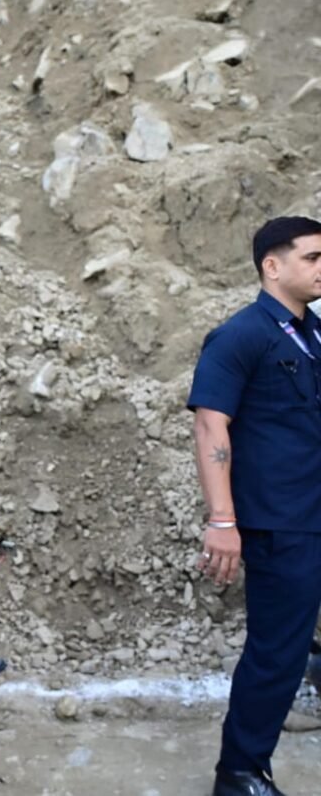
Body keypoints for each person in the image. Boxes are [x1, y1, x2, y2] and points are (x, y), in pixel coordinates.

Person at [188, 215, 321, 796]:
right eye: (312, 257)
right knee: (276, 653)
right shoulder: (241, 335)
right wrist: (222, 519)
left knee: (295, 645)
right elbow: (210, 425)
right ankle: (240, 771)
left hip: (313, 512)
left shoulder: (312, 332)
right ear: (272, 265)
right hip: (280, 523)